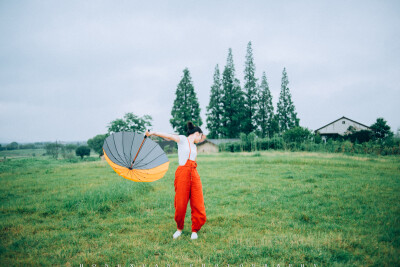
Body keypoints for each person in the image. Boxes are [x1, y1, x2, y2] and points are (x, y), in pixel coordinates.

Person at [145, 121, 207, 240]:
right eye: (200, 137)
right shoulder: (182, 139)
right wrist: (153, 133)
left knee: (198, 202)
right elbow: (168, 136)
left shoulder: (194, 147)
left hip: (194, 173)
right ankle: (179, 229)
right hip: (182, 174)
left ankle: (195, 230)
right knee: (180, 203)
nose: (200, 140)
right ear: (197, 133)